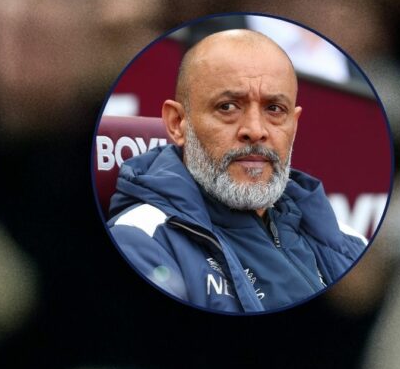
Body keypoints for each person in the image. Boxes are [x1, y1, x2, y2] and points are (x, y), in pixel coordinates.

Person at [107, 28, 367, 313]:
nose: (255, 131)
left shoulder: (348, 241)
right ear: (177, 123)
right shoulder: (141, 239)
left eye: (275, 109)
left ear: (295, 124)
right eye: (228, 107)